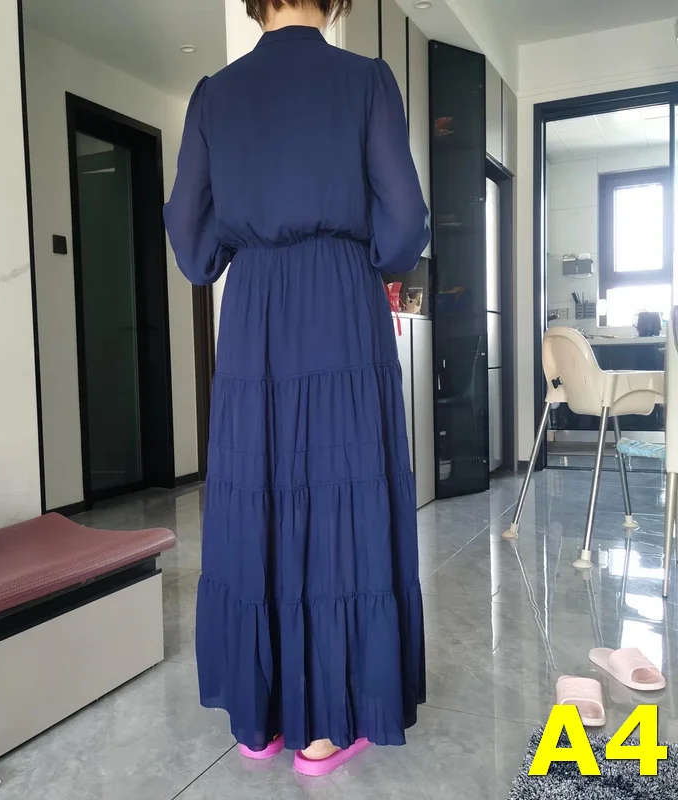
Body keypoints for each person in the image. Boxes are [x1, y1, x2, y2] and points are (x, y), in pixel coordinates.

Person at [164, 0, 430, 776]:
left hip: (254, 312)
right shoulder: (366, 81)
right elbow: (404, 222)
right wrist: (363, 255)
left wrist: (245, 248)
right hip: (341, 305)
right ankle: (325, 728)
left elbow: (191, 240)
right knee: (341, 495)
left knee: (262, 494)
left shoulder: (214, 96)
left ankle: (261, 720)